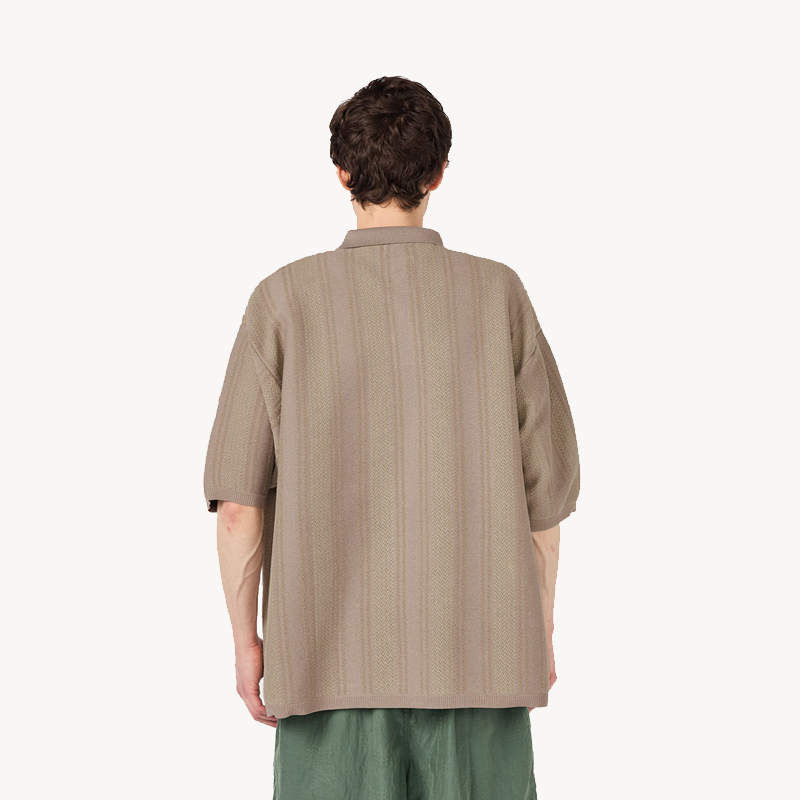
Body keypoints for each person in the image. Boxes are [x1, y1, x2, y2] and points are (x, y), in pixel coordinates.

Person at [203, 75, 580, 799]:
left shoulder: (281, 300)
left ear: (342, 173)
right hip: (480, 662)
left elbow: (238, 506)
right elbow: (546, 500)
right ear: (438, 173)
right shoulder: (497, 294)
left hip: (326, 672)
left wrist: (247, 642)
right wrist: (536, 629)